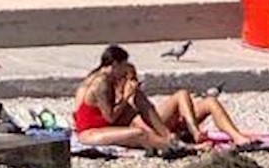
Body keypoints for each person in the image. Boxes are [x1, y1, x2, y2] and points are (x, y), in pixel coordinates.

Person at [73, 44, 253, 152]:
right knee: (141, 116)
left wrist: (131, 82)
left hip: (131, 120)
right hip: (102, 127)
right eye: (124, 67)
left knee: (205, 100)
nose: (127, 73)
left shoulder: (115, 75)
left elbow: (130, 88)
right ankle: (180, 142)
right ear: (115, 64)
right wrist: (127, 94)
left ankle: (235, 137)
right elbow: (110, 116)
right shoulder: (100, 83)